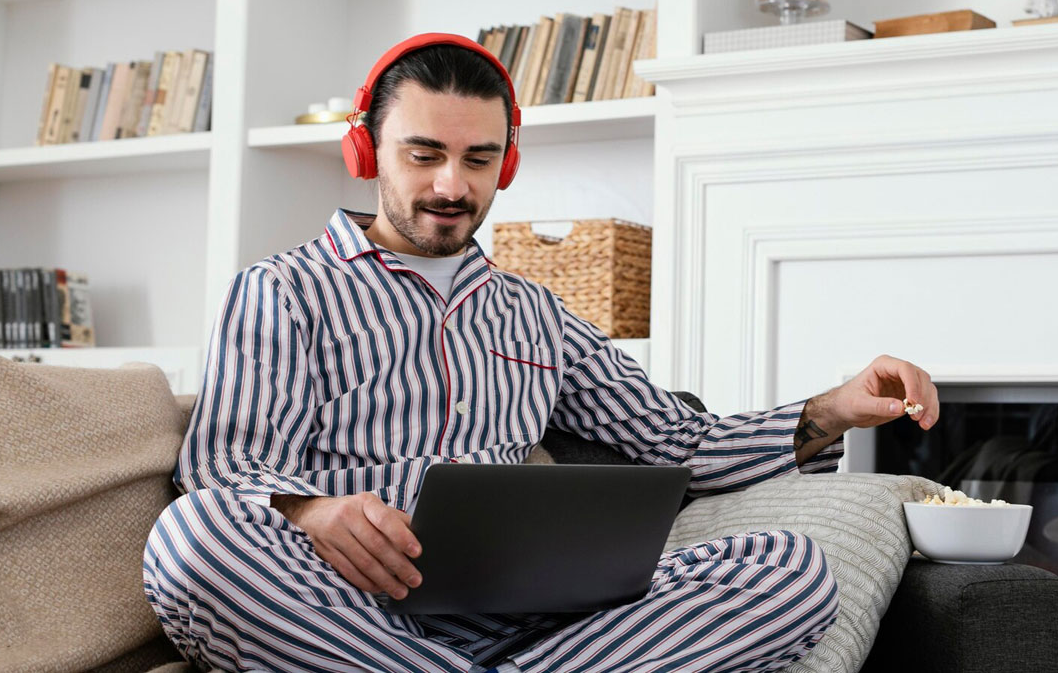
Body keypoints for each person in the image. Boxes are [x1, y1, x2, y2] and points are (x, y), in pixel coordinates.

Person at [142, 33, 940, 673]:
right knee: (194, 537)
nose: (451, 185)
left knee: (793, 570)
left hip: (547, 622)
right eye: (423, 154)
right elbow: (224, 469)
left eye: (478, 159)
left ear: (508, 162)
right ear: (366, 149)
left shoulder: (538, 314)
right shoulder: (282, 291)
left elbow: (678, 442)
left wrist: (836, 406)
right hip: (352, 614)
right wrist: (311, 510)